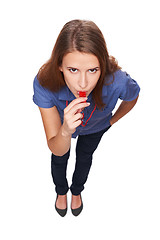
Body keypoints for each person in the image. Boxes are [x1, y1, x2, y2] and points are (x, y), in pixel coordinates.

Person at [33, 19, 140, 217]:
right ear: (60, 66)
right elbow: (55, 145)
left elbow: (132, 97)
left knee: (84, 157)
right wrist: (65, 130)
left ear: (102, 66)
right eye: (73, 70)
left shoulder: (118, 81)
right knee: (59, 158)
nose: (83, 84)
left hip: (96, 127)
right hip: (61, 130)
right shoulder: (44, 83)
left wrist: (111, 120)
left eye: (93, 70)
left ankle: (76, 191)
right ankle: (60, 191)